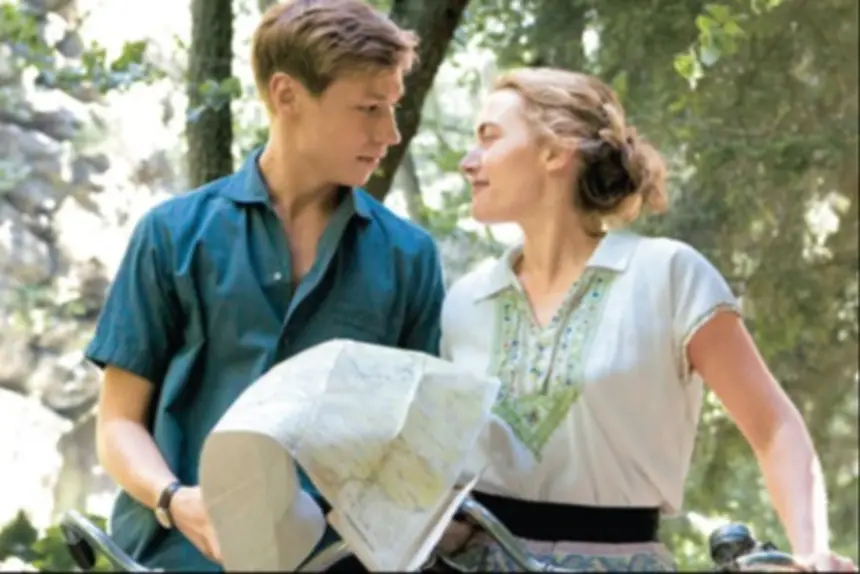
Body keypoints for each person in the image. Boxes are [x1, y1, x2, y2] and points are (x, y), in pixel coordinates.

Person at [437, 67, 857, 572]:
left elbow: (774, 427)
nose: (469, 161)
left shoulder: (667, 275)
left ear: (555, 151)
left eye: (490, 137)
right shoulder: (465, 301)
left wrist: (811, 552)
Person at [85, 1, 444, 571]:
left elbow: (418, 445)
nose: (390, 133)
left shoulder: (411, 259)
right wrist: (176, 502)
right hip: (176, 557)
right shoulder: (171, 234)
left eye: (393, 108)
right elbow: (118, 423)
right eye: (369, 108)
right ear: (286, 95)